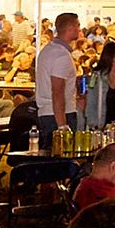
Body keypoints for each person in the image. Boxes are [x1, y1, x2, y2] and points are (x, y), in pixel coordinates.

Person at [33, 12, 82, 143]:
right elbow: (58, 91)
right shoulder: (61, 55)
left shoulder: (47, 50)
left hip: (47, 112)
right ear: (70, 28)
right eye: (78, 25)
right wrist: (62, 125)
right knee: (62, 152)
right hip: (59, 114)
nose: (79, 29)